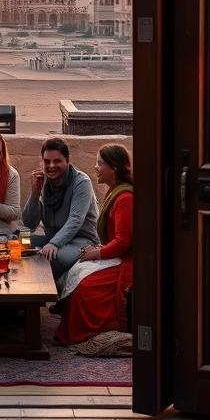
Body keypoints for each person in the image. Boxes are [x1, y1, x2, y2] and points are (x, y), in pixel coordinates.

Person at [54, 144, 134, 347]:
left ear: (114, 168)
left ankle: (88, 332)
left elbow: (123, 241)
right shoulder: (114, 192)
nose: (96, 167)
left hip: (127, 261)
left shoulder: (125, 198)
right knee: (75, 271)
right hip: (114, 254)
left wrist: (97, 253)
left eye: (100, 163)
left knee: (85, 286)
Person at [21, 137, 99, 282]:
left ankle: (49, 293)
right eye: (47, 161)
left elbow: (75, 220)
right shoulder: (43, 180)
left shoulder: (81, 182)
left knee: (56, 257)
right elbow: (29, 224)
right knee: (18, 242)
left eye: (57, 161)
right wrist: (35, 194)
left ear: (67, 160)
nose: (51, 166)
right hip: (52, 235)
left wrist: (54, 243)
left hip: (80, 239)